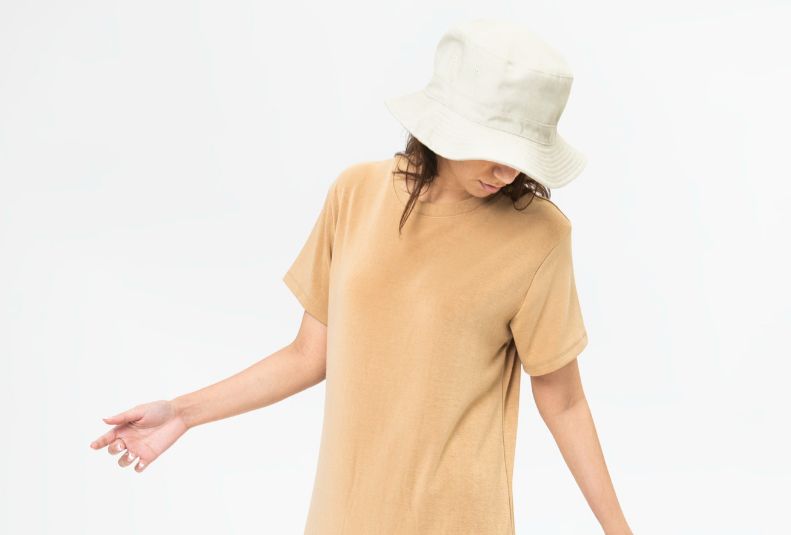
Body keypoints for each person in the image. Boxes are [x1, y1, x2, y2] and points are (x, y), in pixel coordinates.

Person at [89, 18, 633, 535]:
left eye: (522, 154)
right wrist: (182, 413)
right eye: (495, 148)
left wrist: (619, 530)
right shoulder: (355, 194)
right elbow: (309, 355)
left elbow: (563, 400)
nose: (508, 171)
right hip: (342, 515)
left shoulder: (539, 236)